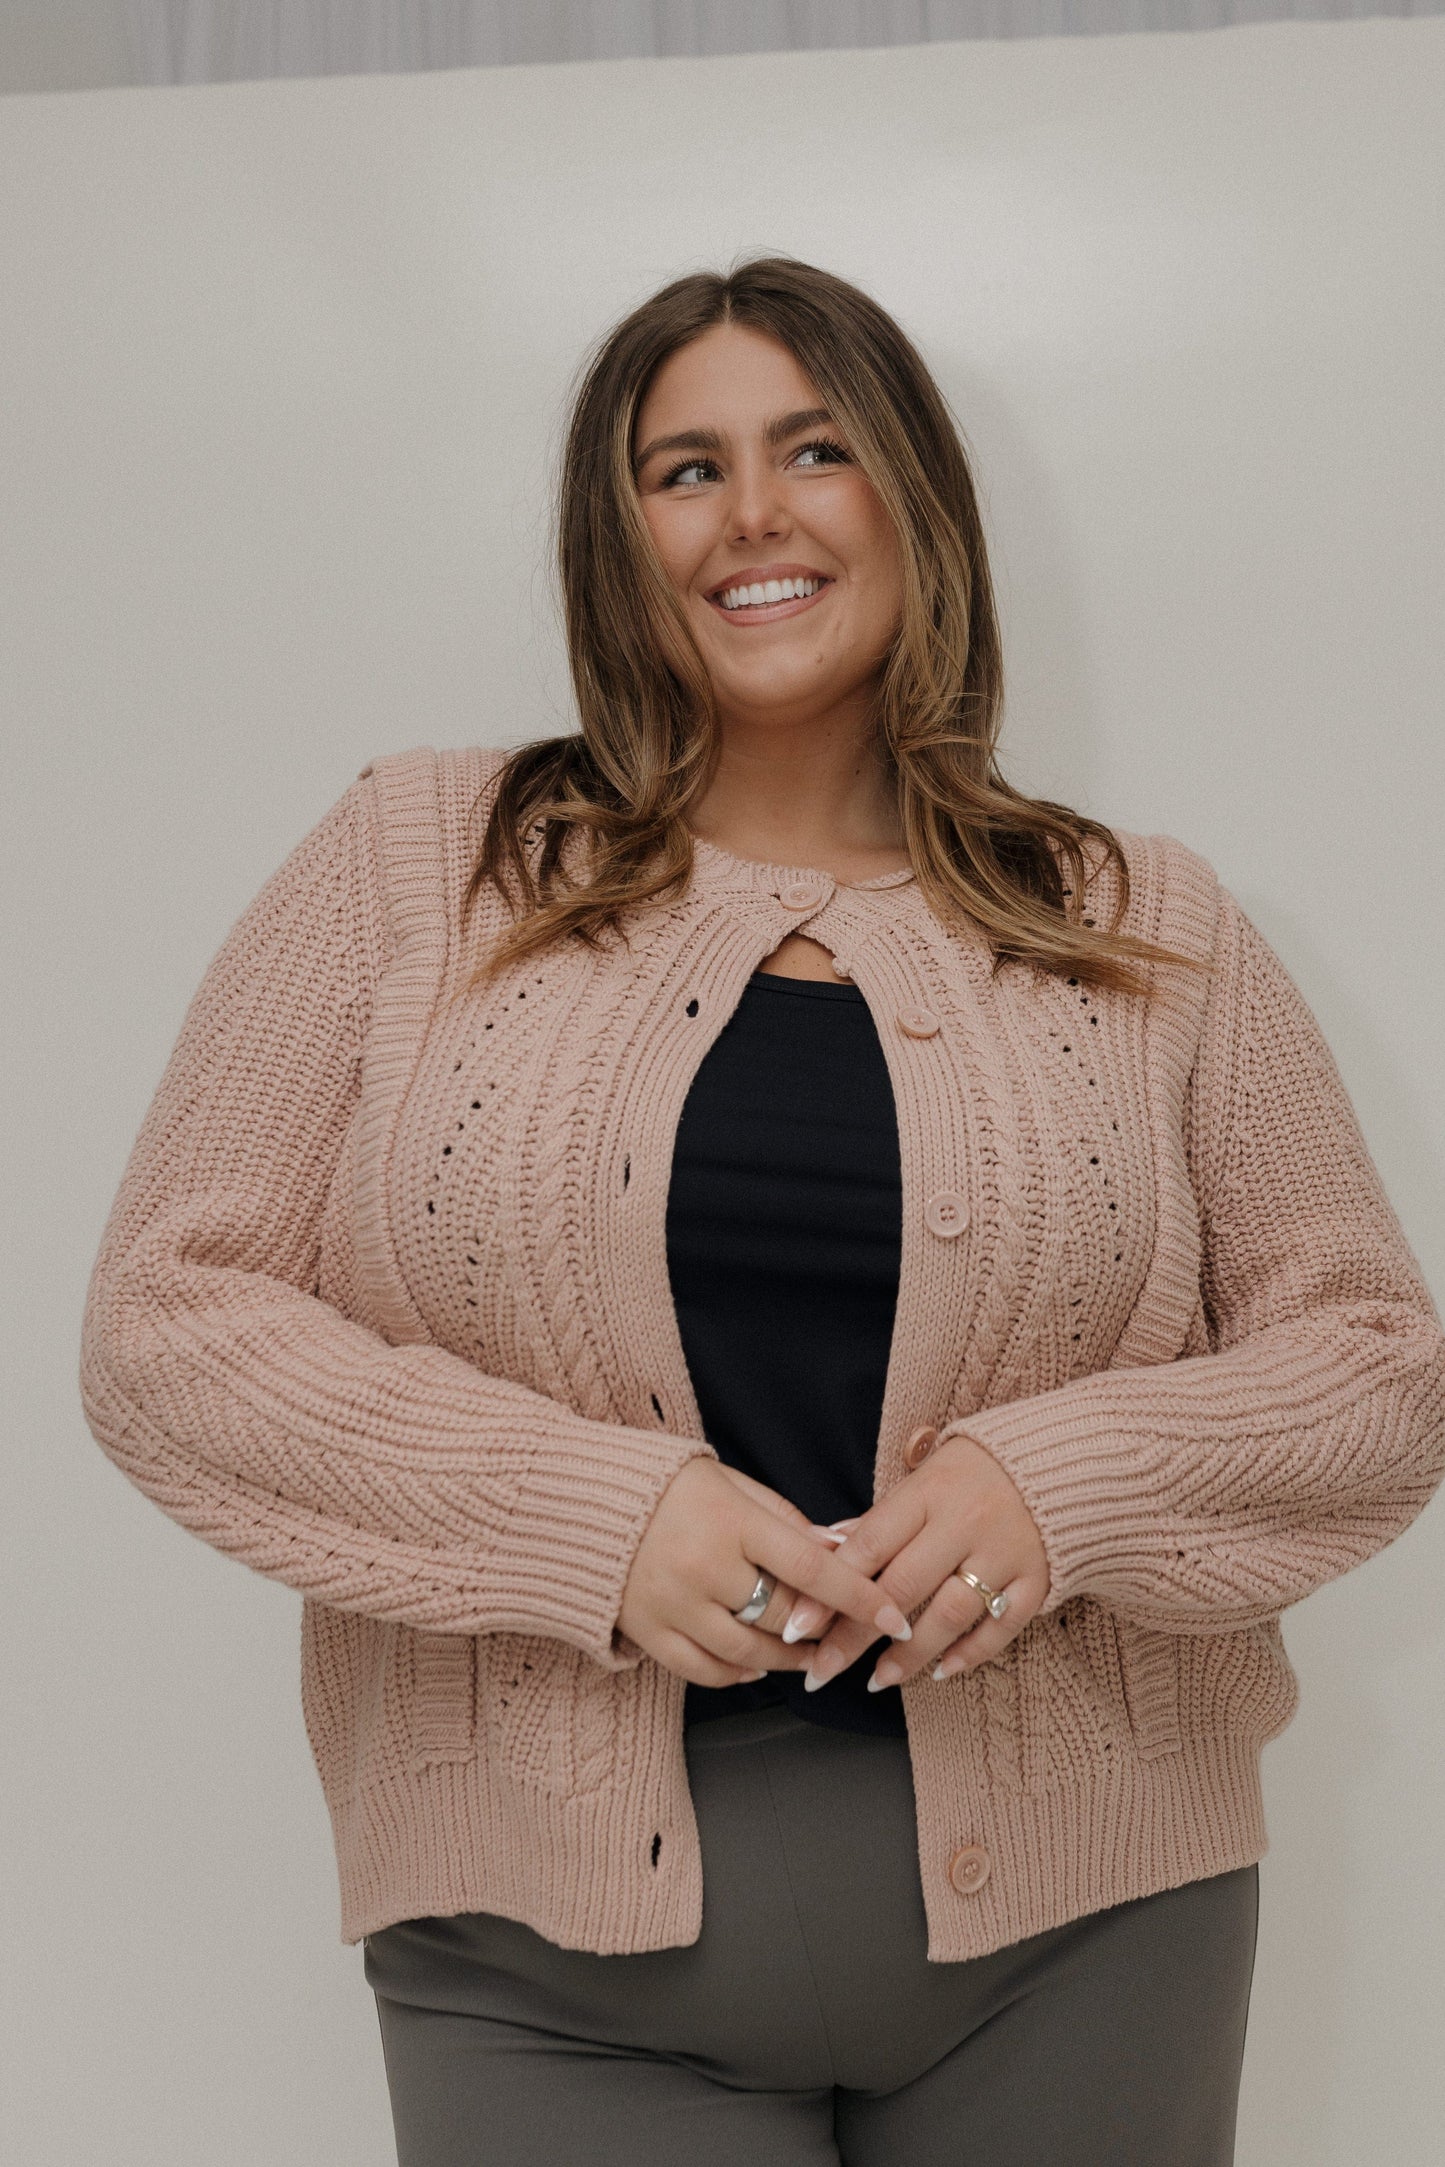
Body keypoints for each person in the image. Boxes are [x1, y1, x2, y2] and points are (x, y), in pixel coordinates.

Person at [79, 254, 1445, 2167]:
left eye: (813, 449)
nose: (753, 515)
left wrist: (1064, 1483)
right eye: (683, 468)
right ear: (619, 538)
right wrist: (588, 1516)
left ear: (910, 497)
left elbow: (1374, 1368)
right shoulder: (421, 862)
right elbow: (169, 1319)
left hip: (1094, 1928)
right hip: (541, 1955)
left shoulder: (1140, 922)